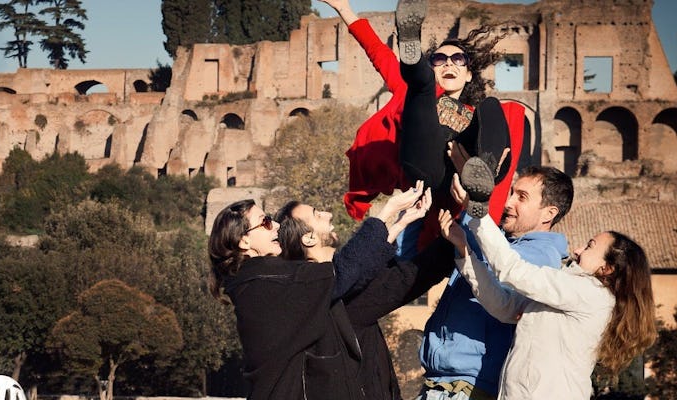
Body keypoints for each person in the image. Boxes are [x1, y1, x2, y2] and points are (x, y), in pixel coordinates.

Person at [438, 171, 657, 399]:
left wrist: (477, 212)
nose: (578, 250)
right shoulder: (568, 289)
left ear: (607, 268)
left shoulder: (591, 294)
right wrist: (465, 252)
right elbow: (504, 307)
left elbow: (513, 270)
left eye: (590, 247)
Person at [333, 0, 527, 254]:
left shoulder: (474, 115)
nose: (448, 63)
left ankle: (483, 179)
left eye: (458, 59)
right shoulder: (414, 89)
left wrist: (471, 171)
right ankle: (411, 53)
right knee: (420, 87)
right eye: (439, 59)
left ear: (469, 74)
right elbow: (377, 51)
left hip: (454, 186)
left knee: (494, 107)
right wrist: (343, 8)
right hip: (423, 172)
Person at [207, 181, 430, 400]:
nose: (275, 226)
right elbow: (341, 274)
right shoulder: (265, 285)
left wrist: (399, 225)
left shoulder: (264, 281)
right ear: (244, 241)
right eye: (265, 222)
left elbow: (352, 279)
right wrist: (387, 211)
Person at [417, 165, 575, 400]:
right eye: (510, 193)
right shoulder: (500, 241)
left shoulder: (542, 257)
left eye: (522, 197)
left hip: (470, 389)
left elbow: (499, 285)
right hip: (444, 384)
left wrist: (473, 217)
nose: (509, 203)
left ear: (548, 213)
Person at [273, 198, 456, 400]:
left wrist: (401, 223)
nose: (328, 214)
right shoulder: (335, 300)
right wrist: (458, 235)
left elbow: (361, 266)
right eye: (317, 214)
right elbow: (404, 278)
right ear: (308, 238)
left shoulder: (316, 290)